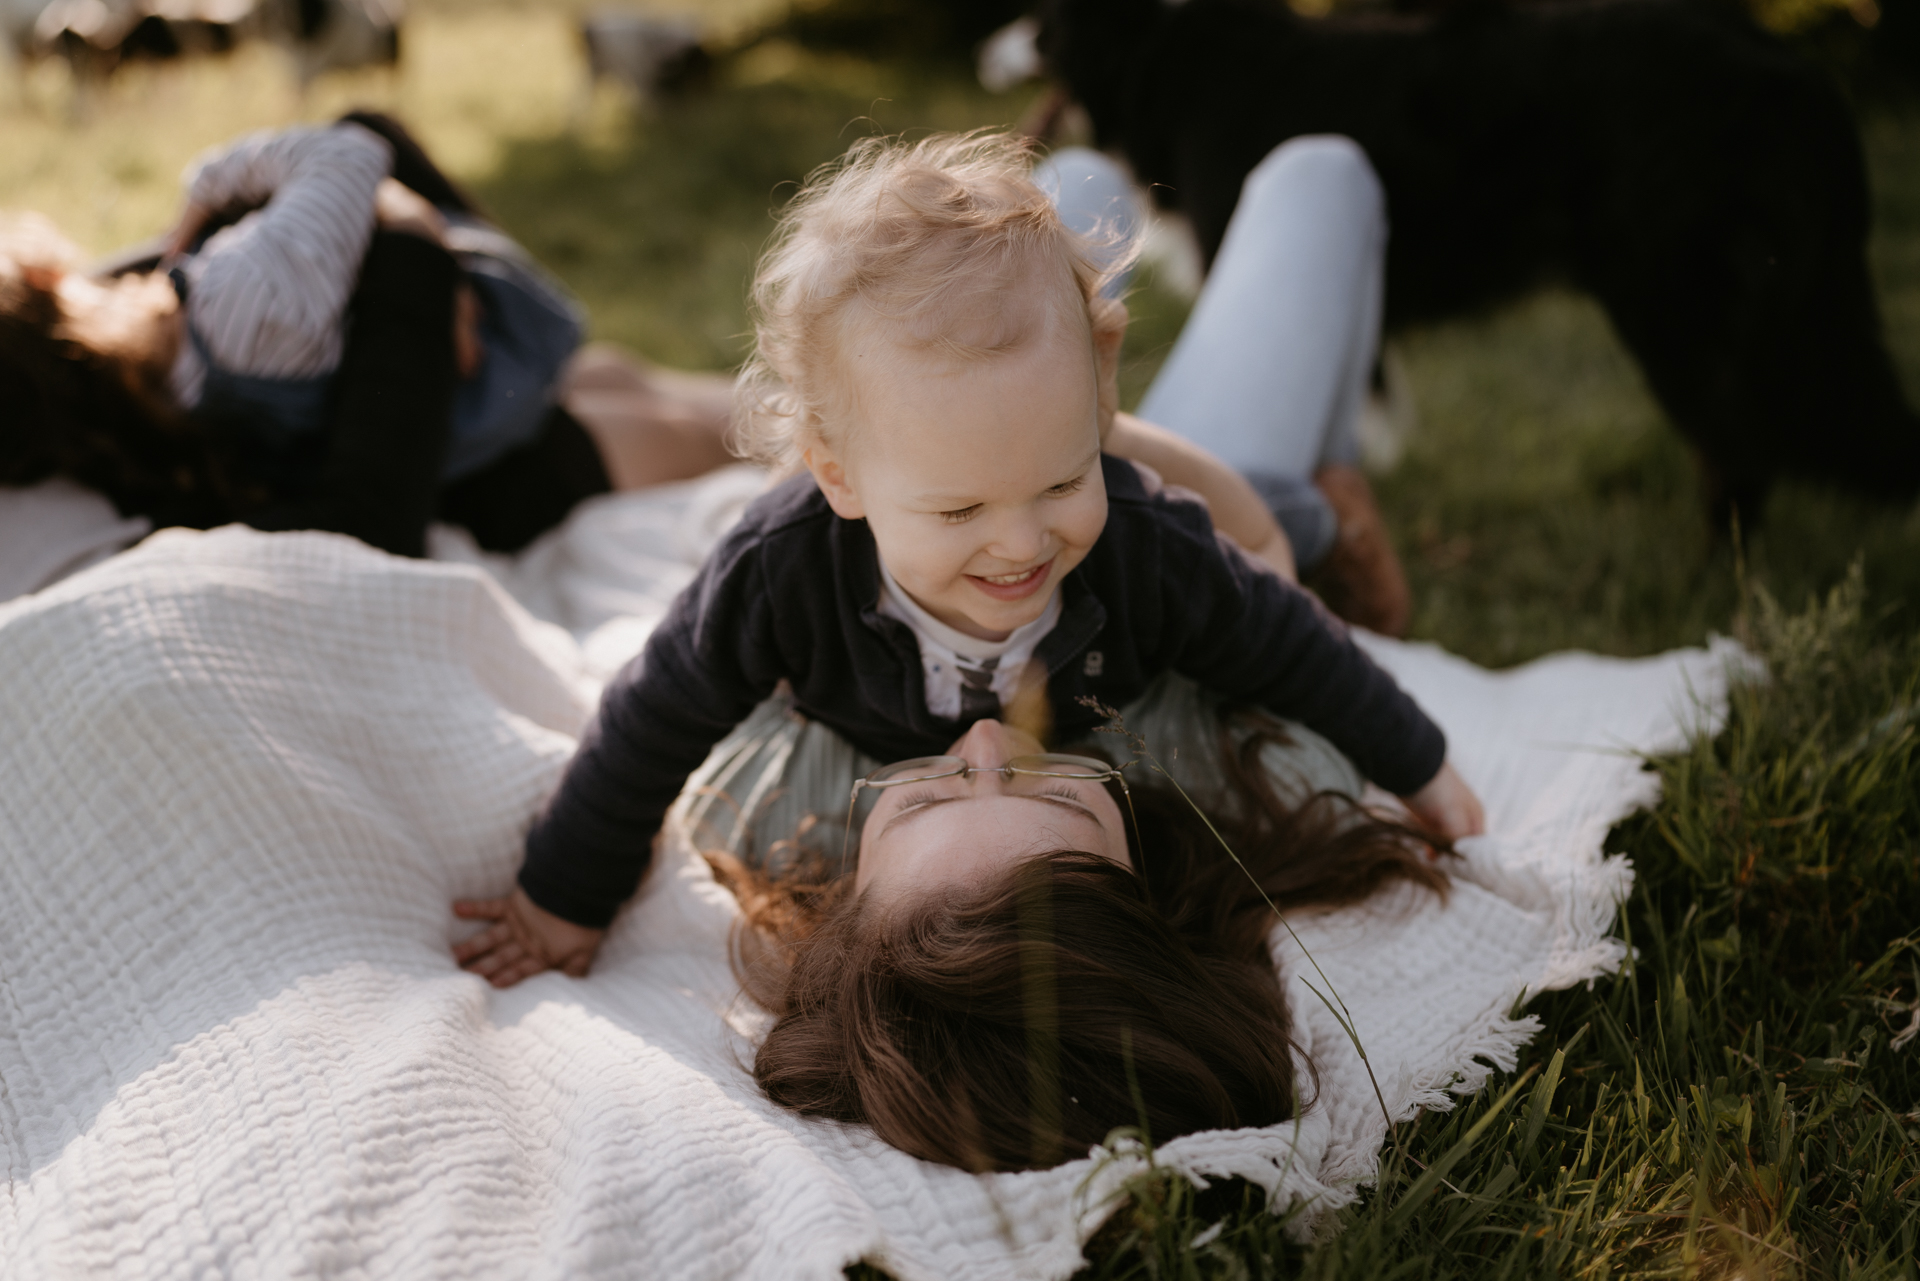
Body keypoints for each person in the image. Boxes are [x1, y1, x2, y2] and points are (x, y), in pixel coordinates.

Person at [451, 130, 1483, 987]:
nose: (1025, 545)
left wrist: (1420, 764)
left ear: (1103, 399)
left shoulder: (1142, 538)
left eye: (1059, 484)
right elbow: (654, 714)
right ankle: (1301, 499)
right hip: (1080, 451)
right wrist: (561, 900)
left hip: (1221, 510)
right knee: (1053, 218)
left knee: (1259, 236)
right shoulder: (784, 569)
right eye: (957, 509)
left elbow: (1285, 639)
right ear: (837, 478)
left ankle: (1289, 509)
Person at [0, 112, 736, 561]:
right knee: (688, 430)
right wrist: (407, 236)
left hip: (456, 414)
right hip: (460, 464)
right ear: (38, 274)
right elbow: (354, 149)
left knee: (617, 376)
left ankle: (820, 404)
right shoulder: (213, 311)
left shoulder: (78, 398)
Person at [1035, 135, 1411, 634]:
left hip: (1096, 474)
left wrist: (1098, 427)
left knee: (1083, 178)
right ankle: (1328, 519)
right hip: (1139, 538)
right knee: (1325, 177)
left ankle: (1321, 510)